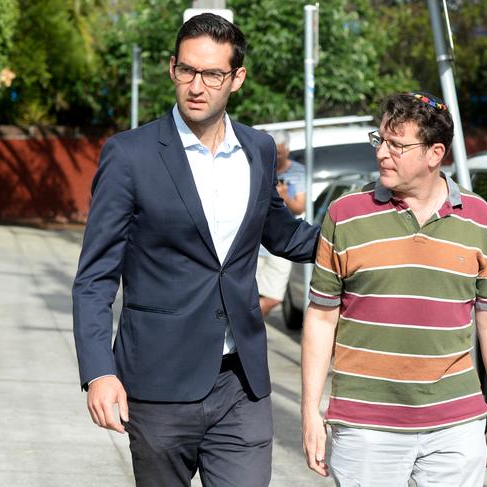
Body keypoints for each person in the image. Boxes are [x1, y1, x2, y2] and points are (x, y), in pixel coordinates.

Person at [72, 13, 318, 487]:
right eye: (187, 70)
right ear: (172, 69)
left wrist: (360, 240)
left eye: (212, 74)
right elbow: (95, 276)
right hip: (158, 384)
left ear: (237, 78)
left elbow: (283, 234)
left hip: (241, 384)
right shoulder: (130, 155)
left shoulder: (259, 149)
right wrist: (98, 372)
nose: (196, 85)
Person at [301, 91, 487, 486]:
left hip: (456, 424)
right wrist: (310, 411)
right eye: (379, 140)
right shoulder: (345, 214)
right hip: (366, 425)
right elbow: (320, 317)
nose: (382, 153)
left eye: (397, 145)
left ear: (435, 153)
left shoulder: (479, 217)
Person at [256, 129, 306, 317]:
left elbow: (299, 208)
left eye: (279, 151)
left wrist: (285, 197)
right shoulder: (258, 167)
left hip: (282, 244)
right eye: (272, 151)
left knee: (274, 297)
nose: (275, 156)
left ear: (287, 149)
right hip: (254, 243)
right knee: (246, 297)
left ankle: (239, 325)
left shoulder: (298, 171)